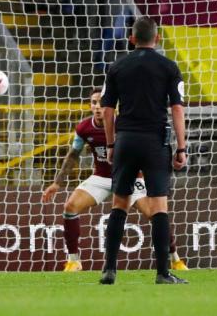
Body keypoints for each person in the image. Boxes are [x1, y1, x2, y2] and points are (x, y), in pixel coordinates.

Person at [41, 88, 189, 272]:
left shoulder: (124, 126)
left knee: (155, 214)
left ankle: (175, 259)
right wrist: (57, 182)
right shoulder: (83, 128)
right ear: (90, 105)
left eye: (102, 104)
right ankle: (73, 261)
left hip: (131, 176)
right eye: (94, 103)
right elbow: (73, 155)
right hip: (102, 177)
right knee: (70, 207)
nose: (98, 107)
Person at [99, 16, 188, 285]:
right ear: (157, 39)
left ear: (132, 39)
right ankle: (162, 273)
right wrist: (181, 147)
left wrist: (112, 143)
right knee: (159, 205)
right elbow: (177, 109)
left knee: (120, 203)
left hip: (125, 140)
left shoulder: (116, 66)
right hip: (154, 141)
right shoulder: (169, 67)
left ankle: (109, 270)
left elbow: (106, 110)